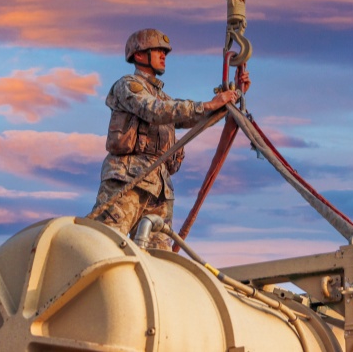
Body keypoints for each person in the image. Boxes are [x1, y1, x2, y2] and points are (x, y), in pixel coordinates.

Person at [90, 28, 247, 249]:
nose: (164, 55)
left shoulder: (163, 97)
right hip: (128, 181)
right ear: (139, 55)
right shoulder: (128, 85)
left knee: (160, 264)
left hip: (159, 192)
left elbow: (190, 116)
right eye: (158, 50)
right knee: (103, 246)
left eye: (165, 52)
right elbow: (155, 110)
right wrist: (209, 105)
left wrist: (231, 98)